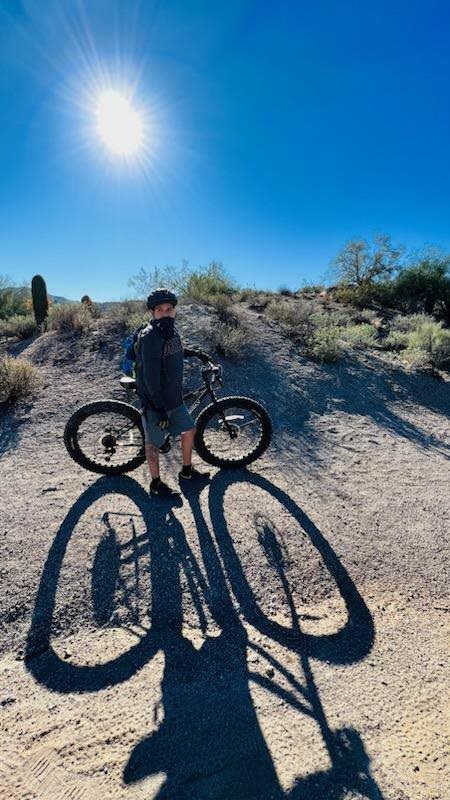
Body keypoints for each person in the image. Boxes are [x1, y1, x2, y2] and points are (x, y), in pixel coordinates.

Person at [135, 287, 213, 497]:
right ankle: (155, 484)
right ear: (153, 313)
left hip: (173, 397)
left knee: (189, 430)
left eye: (169, 309)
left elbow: (175, 351)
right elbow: (150, 378)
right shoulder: (150, 336)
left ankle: (186, 471)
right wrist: (159, 408)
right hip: (155, 401)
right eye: (160, 310)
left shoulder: (172, 331)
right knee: (153, 444)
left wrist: (196, 353)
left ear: (175, 310)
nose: (165, 313)